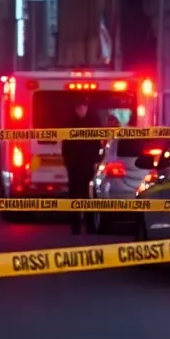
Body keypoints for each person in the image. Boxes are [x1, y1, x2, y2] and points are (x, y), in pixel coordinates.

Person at [60, 97, 102, 235]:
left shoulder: (93, 123)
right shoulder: (69, 123)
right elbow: (65, 146)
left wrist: (96, 160)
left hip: (88, 166)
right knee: (75, 197)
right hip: (74, 167)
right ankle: (75, 226)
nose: (82, 110)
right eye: (80, 107)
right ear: (76, 108)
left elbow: (97, 143)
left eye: (84, 107)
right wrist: (68, 163)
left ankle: (90, 226)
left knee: (88, 197)